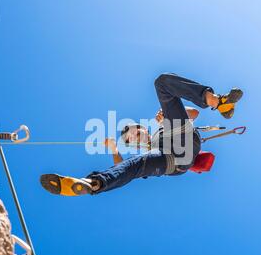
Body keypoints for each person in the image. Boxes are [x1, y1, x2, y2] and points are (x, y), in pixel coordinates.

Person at [40, 73, 243, 196]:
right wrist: (114, 149)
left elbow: (194, 114)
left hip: (182, 138)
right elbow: (124, 167)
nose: (134, 137)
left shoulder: (161, 126)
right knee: (135, 165)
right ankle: (93, 183)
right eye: (130, 139)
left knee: (162, 83)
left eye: (134, 132)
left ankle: (218, 102)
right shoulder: (148, 151)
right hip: (172, 160)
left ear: (143, 128)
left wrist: (166, 118)